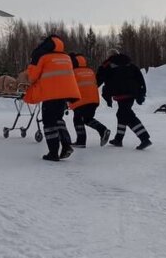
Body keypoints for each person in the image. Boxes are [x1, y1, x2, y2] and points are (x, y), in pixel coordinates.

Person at [24, 34, 80, 162]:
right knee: (58, 119)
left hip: (50, 93)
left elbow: (32, 76)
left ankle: (53, 152)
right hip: (65, 93)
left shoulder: (42, 56)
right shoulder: (65, 57)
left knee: (49, 122)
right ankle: (66, 145)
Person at [96, 49, 152, 150]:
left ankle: (144, 139)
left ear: (110, 57)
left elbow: (98, 79)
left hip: (120, 94)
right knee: (122, 114)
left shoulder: (107, 65)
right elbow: (140, 78)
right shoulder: (129, 63)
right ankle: (118, 139)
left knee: (127, 115)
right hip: (132, 93)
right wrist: (141, 93)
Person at [68, 52, 110, 148]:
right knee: (87, 119)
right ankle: (103, 130)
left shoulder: (72, 72)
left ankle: (81, 141)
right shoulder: (90, 71)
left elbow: (69, 86)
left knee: (77, 119)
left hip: (80, 100)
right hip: (94, 100)